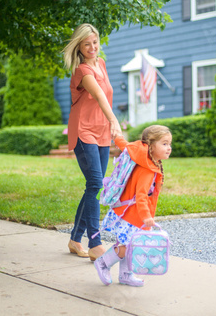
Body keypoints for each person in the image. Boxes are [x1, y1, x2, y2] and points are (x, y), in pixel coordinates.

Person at [62, 23, 122, 261]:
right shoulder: (82, 71)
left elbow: (105, 94)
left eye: (94, 42)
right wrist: (115, 120)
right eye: (86, 44)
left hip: (101, 132)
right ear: (79, 46)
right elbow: (97, 94)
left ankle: (75, 239)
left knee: (93, 186)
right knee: (96, 183)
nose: (92, 47)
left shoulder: (102, 64)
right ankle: (95, 242)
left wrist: (110, 125)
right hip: (83, 130)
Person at [94, 125, 172, 287]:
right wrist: (146, 217)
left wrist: (117, 137)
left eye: (169, 144)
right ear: (150, 145)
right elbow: (141, 196)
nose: (169, 148)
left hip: (129, 213)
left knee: (130, 245)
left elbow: (126, 146)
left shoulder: (141, 155)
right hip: (132, 216)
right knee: (125, 247)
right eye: (164, 144)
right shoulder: (147, 169)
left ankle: (125, 275)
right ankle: (103, 263)